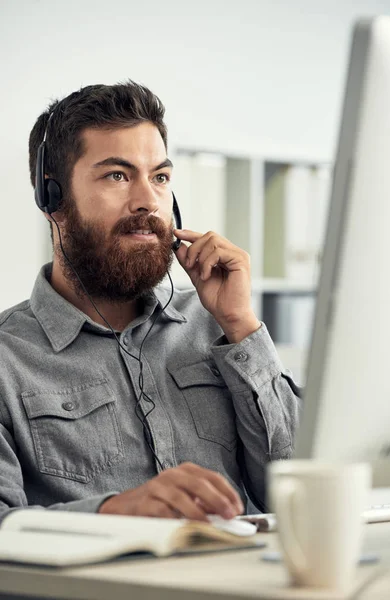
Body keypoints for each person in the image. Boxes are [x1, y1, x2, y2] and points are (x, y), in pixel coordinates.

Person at [0, 81, 300, 523]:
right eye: (117, 176)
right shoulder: (8, 358)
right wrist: (115, 513)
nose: (148, 202)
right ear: (53, 198)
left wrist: (241, 326)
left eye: (160, 177)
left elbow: (297, 491)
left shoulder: (218, 325)